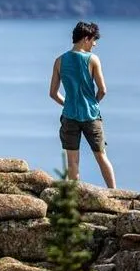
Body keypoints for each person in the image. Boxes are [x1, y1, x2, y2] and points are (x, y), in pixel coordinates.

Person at [49, 21, 117, 188]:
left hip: (69, 115)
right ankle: (116, 194)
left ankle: (75, 201)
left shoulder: (59, 61)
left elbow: (53, 93)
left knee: (72, 162)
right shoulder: (93, 59)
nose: (94, 44)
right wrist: (93, 103)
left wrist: (67, 103)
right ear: (86, 38)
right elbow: (103, 90)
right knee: (101, 157)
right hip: (91, 115)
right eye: (94, 40)